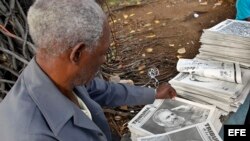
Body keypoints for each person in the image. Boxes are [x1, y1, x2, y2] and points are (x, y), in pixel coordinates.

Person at [0, 0, 177, 141]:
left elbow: (103, 90)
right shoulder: (30, 134)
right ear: (77, 54)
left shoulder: (55, 72)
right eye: (103, 53)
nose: (105, 60)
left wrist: (153, 94)